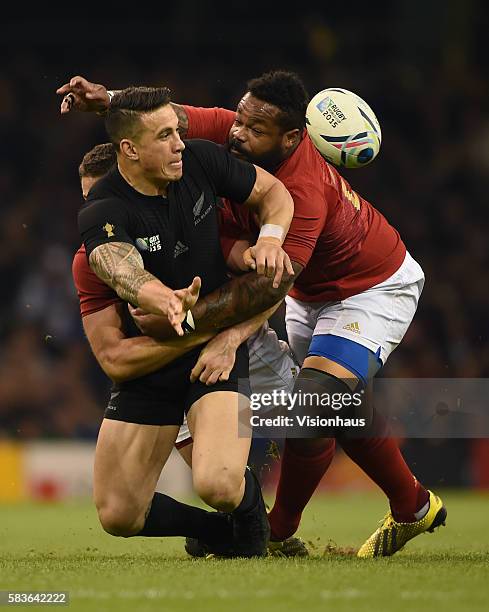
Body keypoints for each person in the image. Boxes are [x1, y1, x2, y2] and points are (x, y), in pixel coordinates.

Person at [57, 72, 447, 558]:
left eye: (253, 129)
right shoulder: (234, 135)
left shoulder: (302, 191)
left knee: (315, 403)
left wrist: (222, 333)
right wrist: (106, 99)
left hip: (368, 288)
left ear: (291, 138)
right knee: (329, 404)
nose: (237, 132)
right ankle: (412, 504)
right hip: (307, 293)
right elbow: (172, 115)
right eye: (238, 119)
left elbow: (273, 282)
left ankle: (280, 527)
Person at [71, 85, 298, 557]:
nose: (179, 143)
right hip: (152, 362)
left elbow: (273, 192)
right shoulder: (104, 209)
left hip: (213, 358)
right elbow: (122, 270)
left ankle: (249, 512)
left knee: (217, 483)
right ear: (130, 150)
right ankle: (216, 532)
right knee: (118, 514)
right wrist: (168, 304)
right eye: (165, 136)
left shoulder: (198, 161)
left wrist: (272, 239)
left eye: (177, 131)